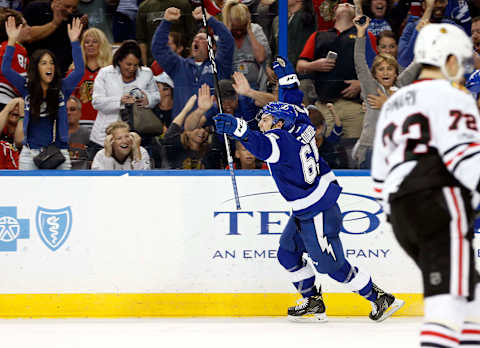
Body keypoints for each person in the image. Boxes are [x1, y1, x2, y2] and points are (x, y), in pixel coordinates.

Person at [214, 101, 404, 322]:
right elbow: (293, 106)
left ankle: (381, 299)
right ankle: (313, 301)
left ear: (279, 123)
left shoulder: (279, 139)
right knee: (287, 253)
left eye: (265, 120)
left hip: (317, 212)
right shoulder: (302, 126)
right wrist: (287, 81)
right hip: (308, 208)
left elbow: (261, 146)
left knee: (331, 266)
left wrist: (240, 130)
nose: (261, 124)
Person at [371, 23, 480, 347]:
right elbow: (464, 158)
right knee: (445, 306)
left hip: (401, 211)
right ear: (447, 60)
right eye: (460, 61)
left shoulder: (393, 102)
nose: (462, 70)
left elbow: (379, 176)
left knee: (469, 298)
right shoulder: (454, 97)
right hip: (439, 199)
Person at [2, 16, 84, 170]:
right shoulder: (26, 87)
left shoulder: (62, 88)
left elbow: (79, 71)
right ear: (36, 68)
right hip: (29, 154)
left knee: (62, 194)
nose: (49, 67)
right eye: (44, 63)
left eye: (52, 63)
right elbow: (5, 69)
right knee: (27, 194)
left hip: (58, 153)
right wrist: (12, 40)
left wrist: (74, 42)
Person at [296, 3, 363, 167]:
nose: (346, 3)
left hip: (353, 106)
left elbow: (377, 66)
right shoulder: (318, 36)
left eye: (350, 3)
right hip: (324, 104)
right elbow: (300, 65)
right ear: (334, 12)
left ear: (355, 13)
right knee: (322, 149)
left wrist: (361, 83)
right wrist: (315, 65)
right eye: (342, 3)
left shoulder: (363, 36)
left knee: (356, 154)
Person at [352, 15, 420, 168]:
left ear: (396, 73)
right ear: (375, 74)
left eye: (390, 69)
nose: (386, 73)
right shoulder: (371, 87)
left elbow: (417, 63)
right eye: (381, 69)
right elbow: (359, 62)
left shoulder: (401, 84)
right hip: (371, 149)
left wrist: (387, 103)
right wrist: (361, 33)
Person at [151, 6, 234, 118]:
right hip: (182, 128)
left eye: (202, 39)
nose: (196, 40)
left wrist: (209, 18)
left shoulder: (219, 65)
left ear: (213, 46)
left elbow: (227, 40)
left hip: (211, 127)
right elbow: (158, 49)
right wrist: (166, 22)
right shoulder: (178, 65)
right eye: (195, 39)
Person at [89, 40, 160, 160]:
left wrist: (147, 100)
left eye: (135, 65)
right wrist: (120, 101)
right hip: (104, 137)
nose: (132, 68)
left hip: (137, 135)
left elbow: (156, 96)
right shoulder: (105, 73)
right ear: (119, 61)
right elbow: (96, 102)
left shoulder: (146, 73)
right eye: (128, 64)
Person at [23, 0, 88, 76]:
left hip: (64, 72)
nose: (70, 11)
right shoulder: (35, 8)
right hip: (36, 70)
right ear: (56, 1)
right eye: (67, 6)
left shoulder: (77, 18)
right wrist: (54, 24)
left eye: (74, 8)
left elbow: (81, 47)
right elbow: (27, 36)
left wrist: (80, 33)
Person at [222, 0, 271, 90]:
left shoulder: (255, 29)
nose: (239, 32)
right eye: (235, 28)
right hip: (232, 88)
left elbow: (261, 58)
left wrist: (249, 32)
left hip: (256, 86)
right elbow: (221, 63)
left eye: (242, 27)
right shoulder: (222, 35)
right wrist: (227, 34)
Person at [70, 27, 112, 129]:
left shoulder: (111, 71)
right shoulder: (74, 71)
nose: (90, 45)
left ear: (102, 45)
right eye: (87, 42)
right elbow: (68, 100)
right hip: (80, 124)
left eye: (95, 42)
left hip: (104, 124)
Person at [0, 9, 30, 111]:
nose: (29, 28)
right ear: (13, 28)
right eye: (24, 25)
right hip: (4, 101)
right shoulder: (16, 49)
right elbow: (22, 85)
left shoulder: (3, 47)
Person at [67, 96, 90, 169]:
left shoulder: (89, 135)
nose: (68, 113)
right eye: (65, 110)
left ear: (80, 113)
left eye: (72, 109)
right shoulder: (52, 135)